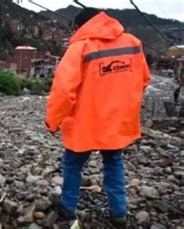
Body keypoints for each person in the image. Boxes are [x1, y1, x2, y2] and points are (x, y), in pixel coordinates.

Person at [45, 8, 151, 227]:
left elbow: (64, 91)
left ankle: (67, 206)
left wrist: (53, 120)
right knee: (113, 163)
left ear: (80, 27)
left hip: (86, 123)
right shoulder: (133, 43)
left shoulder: (80, 48)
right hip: (116, 123)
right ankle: (119, 213)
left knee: (73, 165)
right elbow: (143, 80)